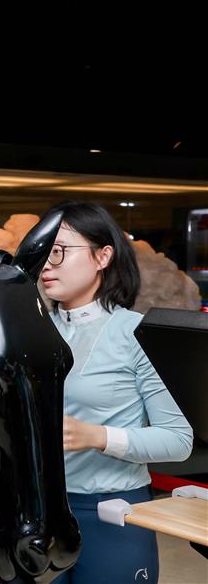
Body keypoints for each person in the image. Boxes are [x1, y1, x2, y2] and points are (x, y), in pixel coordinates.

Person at [41, 201, 193, 584]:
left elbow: (178, 440)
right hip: (37, 513)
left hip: (111, 512)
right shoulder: (30, 334)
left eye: (59, 251)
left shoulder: (136, 333)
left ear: (102, 256)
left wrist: (97, 436)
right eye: (41, 251)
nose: (45, 263)